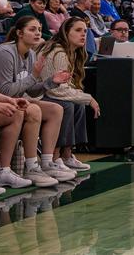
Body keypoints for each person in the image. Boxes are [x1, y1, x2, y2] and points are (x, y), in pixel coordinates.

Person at [0, 16, 76, 187]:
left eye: (39, 30)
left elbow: (31, 90)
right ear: (19, 33)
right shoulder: (5, 53)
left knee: (56, 109)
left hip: (15, 100)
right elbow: (6, 91)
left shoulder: (31, 54)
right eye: (32, 29)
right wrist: (33, 76)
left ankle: (47, 163)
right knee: (34, 110)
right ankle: (31, 166)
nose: (37, 33)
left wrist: (51, 82)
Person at [38, 17, 100, 171]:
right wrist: (89, 98)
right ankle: (55, 156)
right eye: (78, 30)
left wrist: (82, 98)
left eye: (85, 31)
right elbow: (57, 90)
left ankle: (67, 155)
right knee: (66, 105)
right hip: (37, 95)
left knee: (76, 105)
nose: (83, 35)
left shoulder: (70, 52)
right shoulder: (59, 52)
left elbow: (67, 86)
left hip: (48, 94)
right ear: (66, 32)